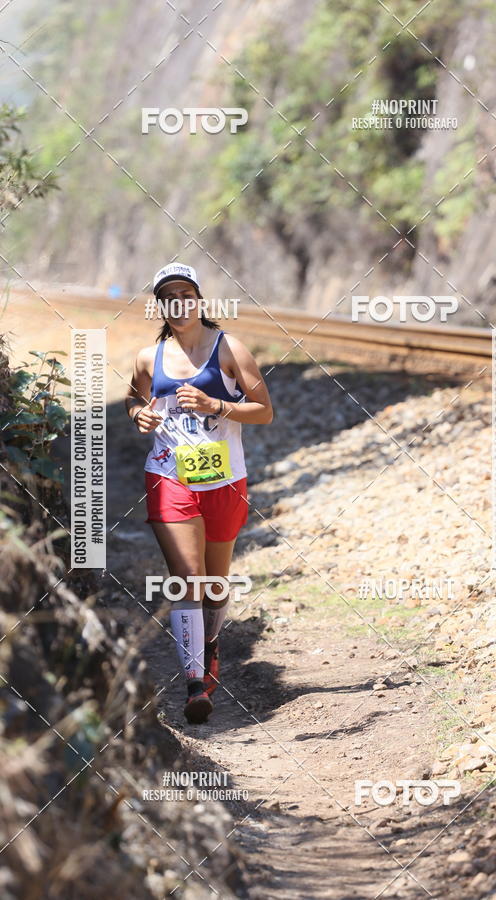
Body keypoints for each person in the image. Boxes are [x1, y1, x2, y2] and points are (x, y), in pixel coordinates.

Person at [125, 263, 273, 724]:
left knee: (214, 580)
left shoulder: (230, 349)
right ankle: (195, 683)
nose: (178, 303)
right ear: (161, 306)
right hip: (170, 476)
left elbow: (263, 411)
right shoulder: (149, 358)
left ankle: (210, 648)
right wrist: (137, 416)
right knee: (187, 577)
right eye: (168, 296)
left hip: (225, 480)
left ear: (199, 299)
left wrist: (217, 405)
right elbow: (134, 399)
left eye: (185, 293)